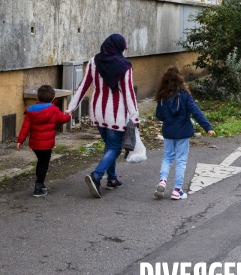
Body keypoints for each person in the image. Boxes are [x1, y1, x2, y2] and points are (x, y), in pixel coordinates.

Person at [67, 34, 139, 198]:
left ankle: (112, 179)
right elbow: (129, 93)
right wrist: (135, 116)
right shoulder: (125, 66)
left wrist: (71, 107)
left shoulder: (94, 61)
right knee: (114, 148)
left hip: (98, 112)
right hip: (117, 114)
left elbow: (83, 86)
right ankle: (96, 176)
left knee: (109, 145)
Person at [154, 66, 215, 200]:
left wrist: (168, 116)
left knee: (167, 157)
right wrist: (208, 127)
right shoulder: (185, 95)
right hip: (183, 131)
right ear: (180, 79)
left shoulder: (163, 96)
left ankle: (162, 181)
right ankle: (177, 190)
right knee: (181, 160)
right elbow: (195, 111)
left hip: (169, 131)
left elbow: (159, 115)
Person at [16, 85, 71, 197]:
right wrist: (69, 115)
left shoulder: (31, 111)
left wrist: (20, 141)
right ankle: (38, 187)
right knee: (44, 165)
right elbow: (62, 120)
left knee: (40, 162)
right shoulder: (54, 110)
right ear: (52, 97)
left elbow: (25, 127)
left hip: (35, 144)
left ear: (38, 97)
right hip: (47, 144)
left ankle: (40, 183)